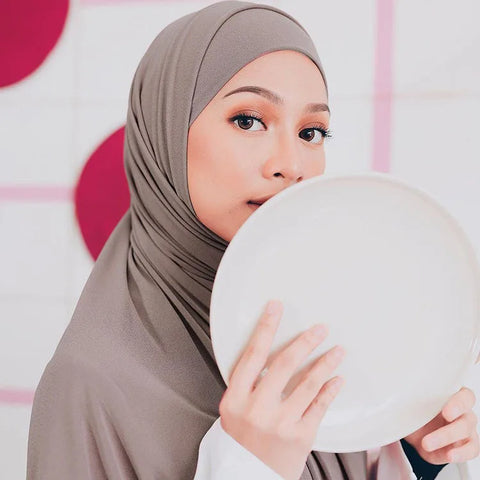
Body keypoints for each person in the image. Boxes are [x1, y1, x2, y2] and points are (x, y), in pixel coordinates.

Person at [26, 1, 479, 479]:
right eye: (248, 121)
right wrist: (251, 464)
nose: (292, 164)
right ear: (166, 133)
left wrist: (412, 446)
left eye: (311, 132)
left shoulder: (324, 321)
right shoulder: (87, 383)